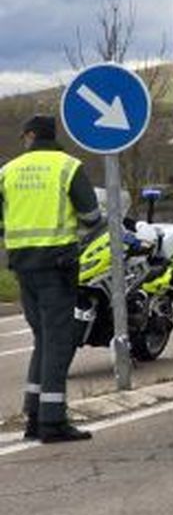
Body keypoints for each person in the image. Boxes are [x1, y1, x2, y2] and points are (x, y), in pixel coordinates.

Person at [1, 115, 103, 443]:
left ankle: (33, 415)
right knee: (59, 341)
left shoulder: (8, 171)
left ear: (30, 136)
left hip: (22, 265)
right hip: (57, 265)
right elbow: (91, 215)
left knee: (42, 340)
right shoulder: (67, 166)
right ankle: (53, 422)